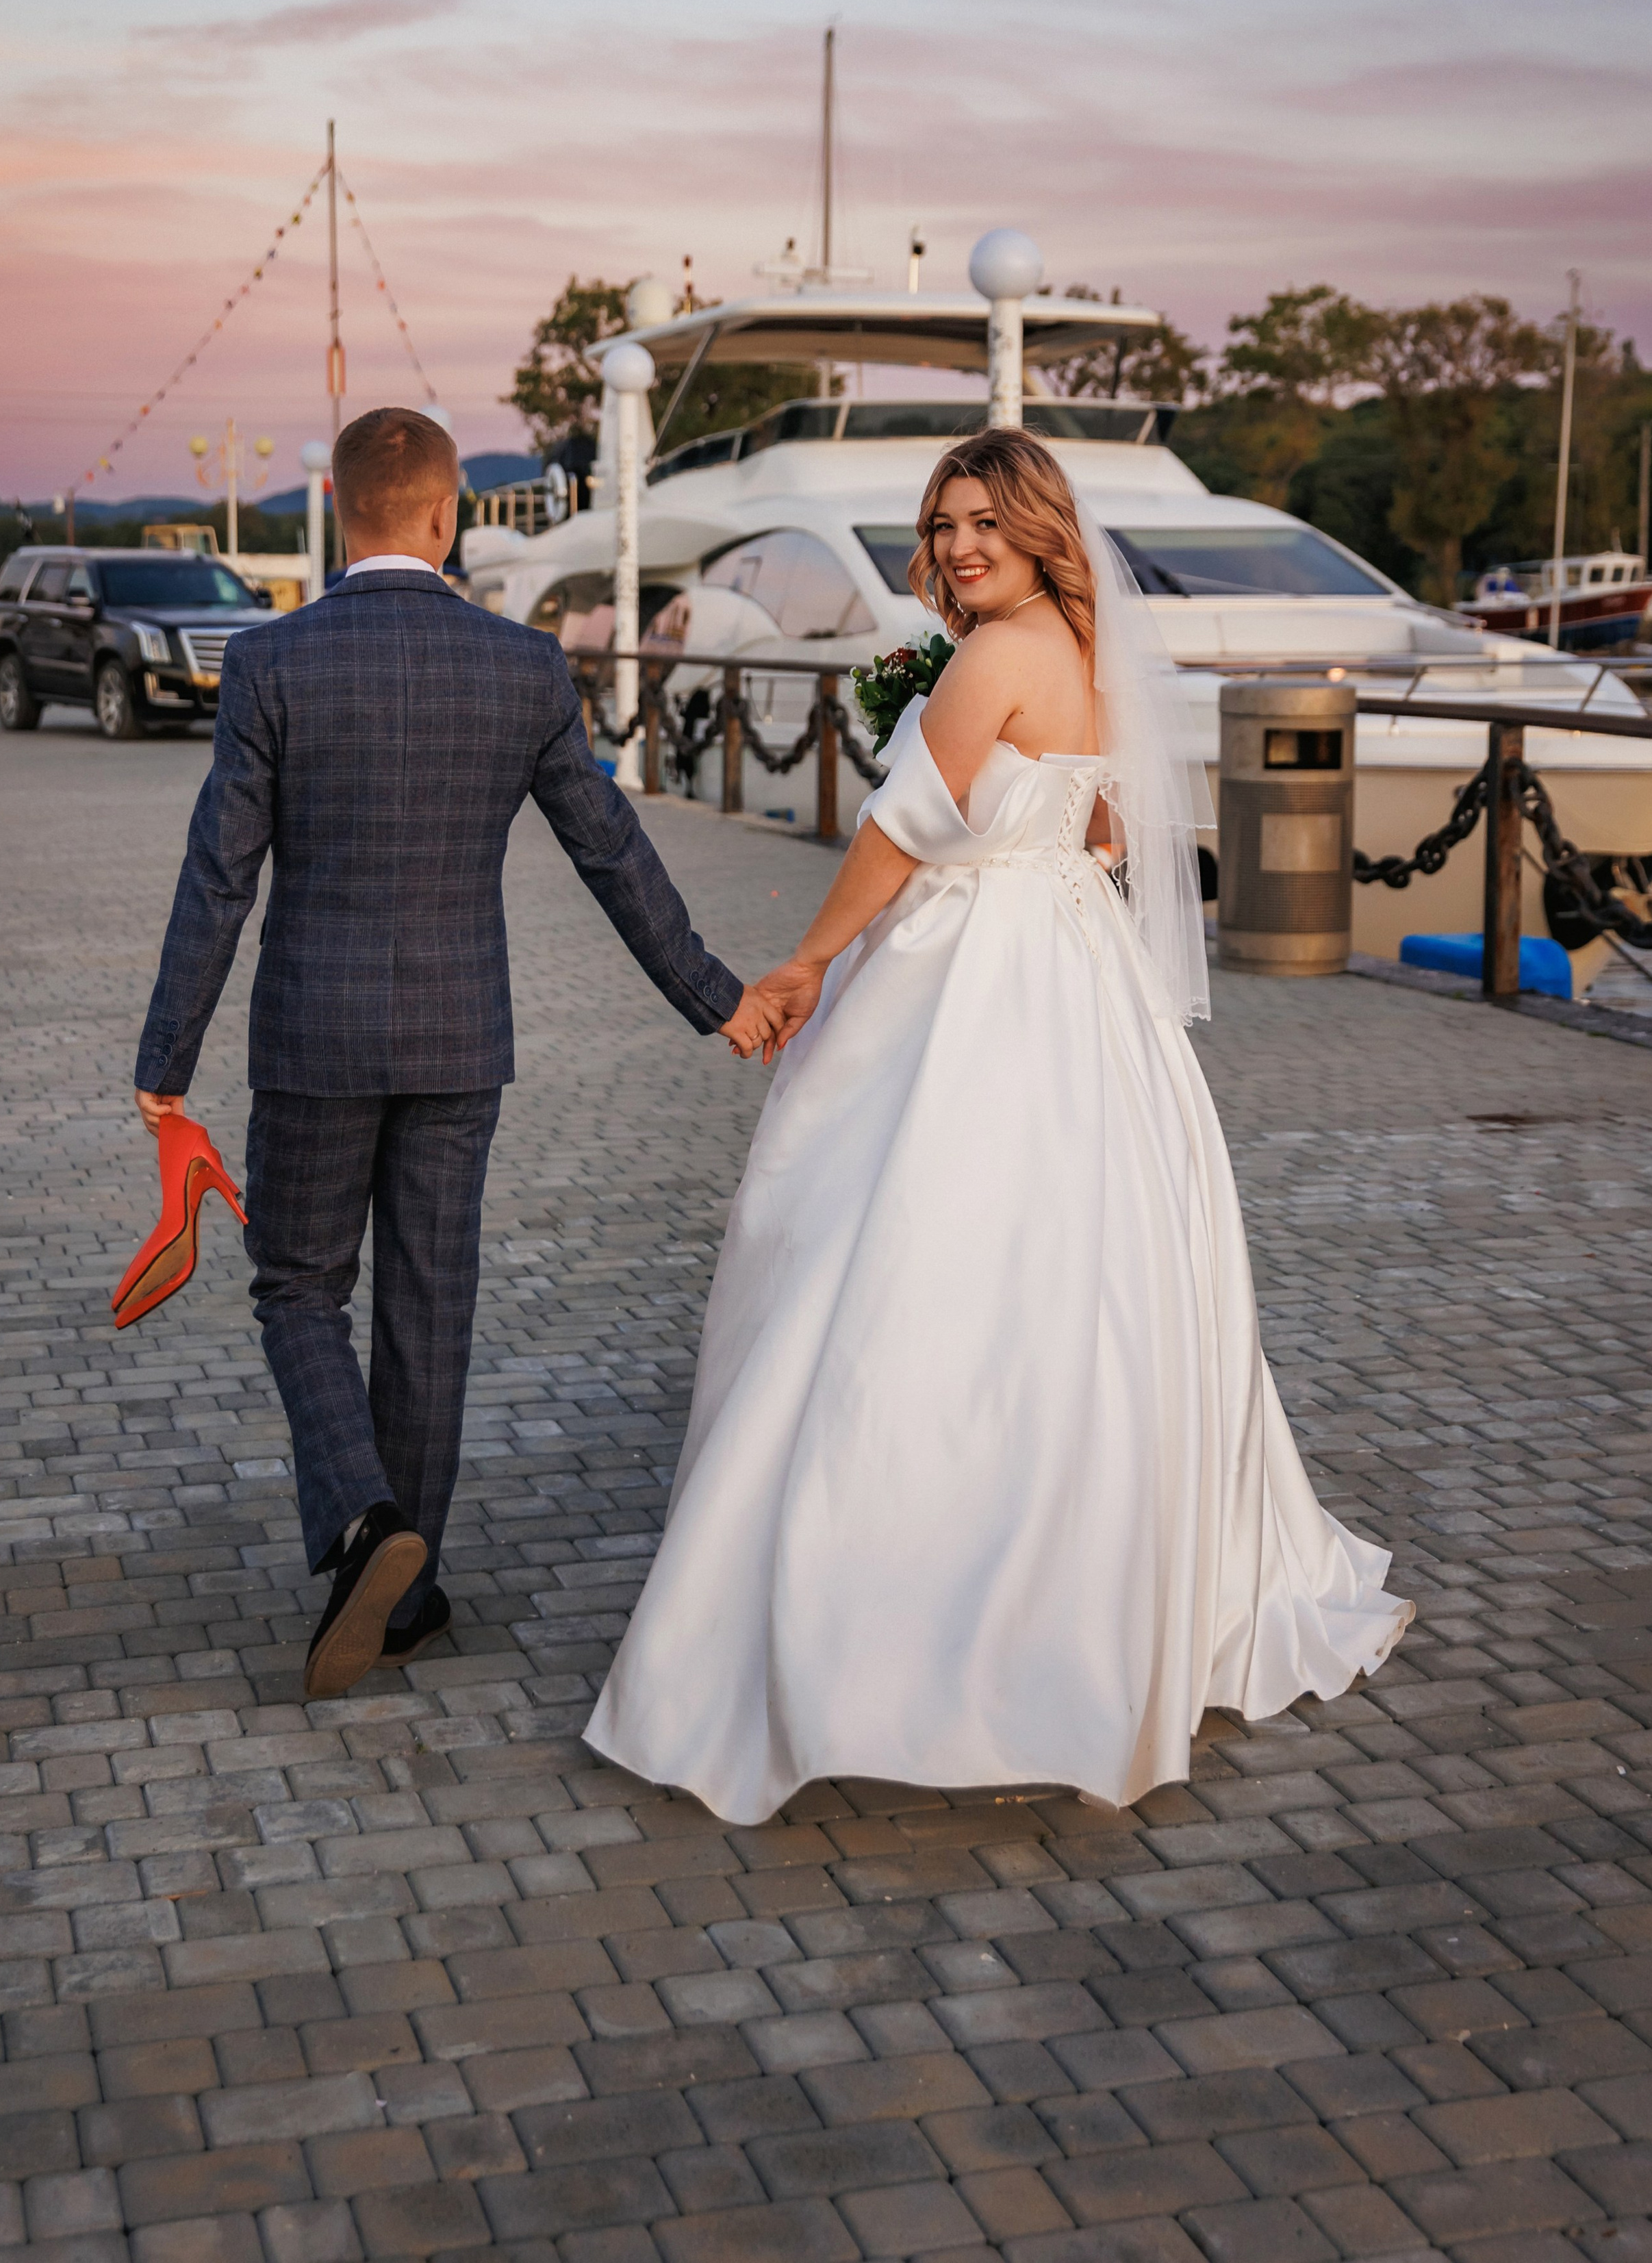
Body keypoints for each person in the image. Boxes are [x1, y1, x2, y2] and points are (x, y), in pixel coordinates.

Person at [585, 427, 1412, 1825]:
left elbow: (901, 833)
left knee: (912, 1251)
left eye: (983, 521)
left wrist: (800, 965)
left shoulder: (990, 658)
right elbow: (1095, 841)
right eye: (942, 521)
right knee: (1076, 1265)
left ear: (1037, 530)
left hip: (977, 975)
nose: (959, 543)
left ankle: (911, 1605)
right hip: (1073, 971)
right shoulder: (1078, 659)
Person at [133, 406, 770, 1698]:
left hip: (312, 1039)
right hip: (459, 1037)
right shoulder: (524, 669)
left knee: (299, 1287)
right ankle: (410, 1592)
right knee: (431, 1305)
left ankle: (365, 1521)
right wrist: (718, 998)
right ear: (445, 516)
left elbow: (219, 878)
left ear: (341, 509)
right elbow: (612, 850)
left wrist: (166, 1061)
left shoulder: (270, 665)